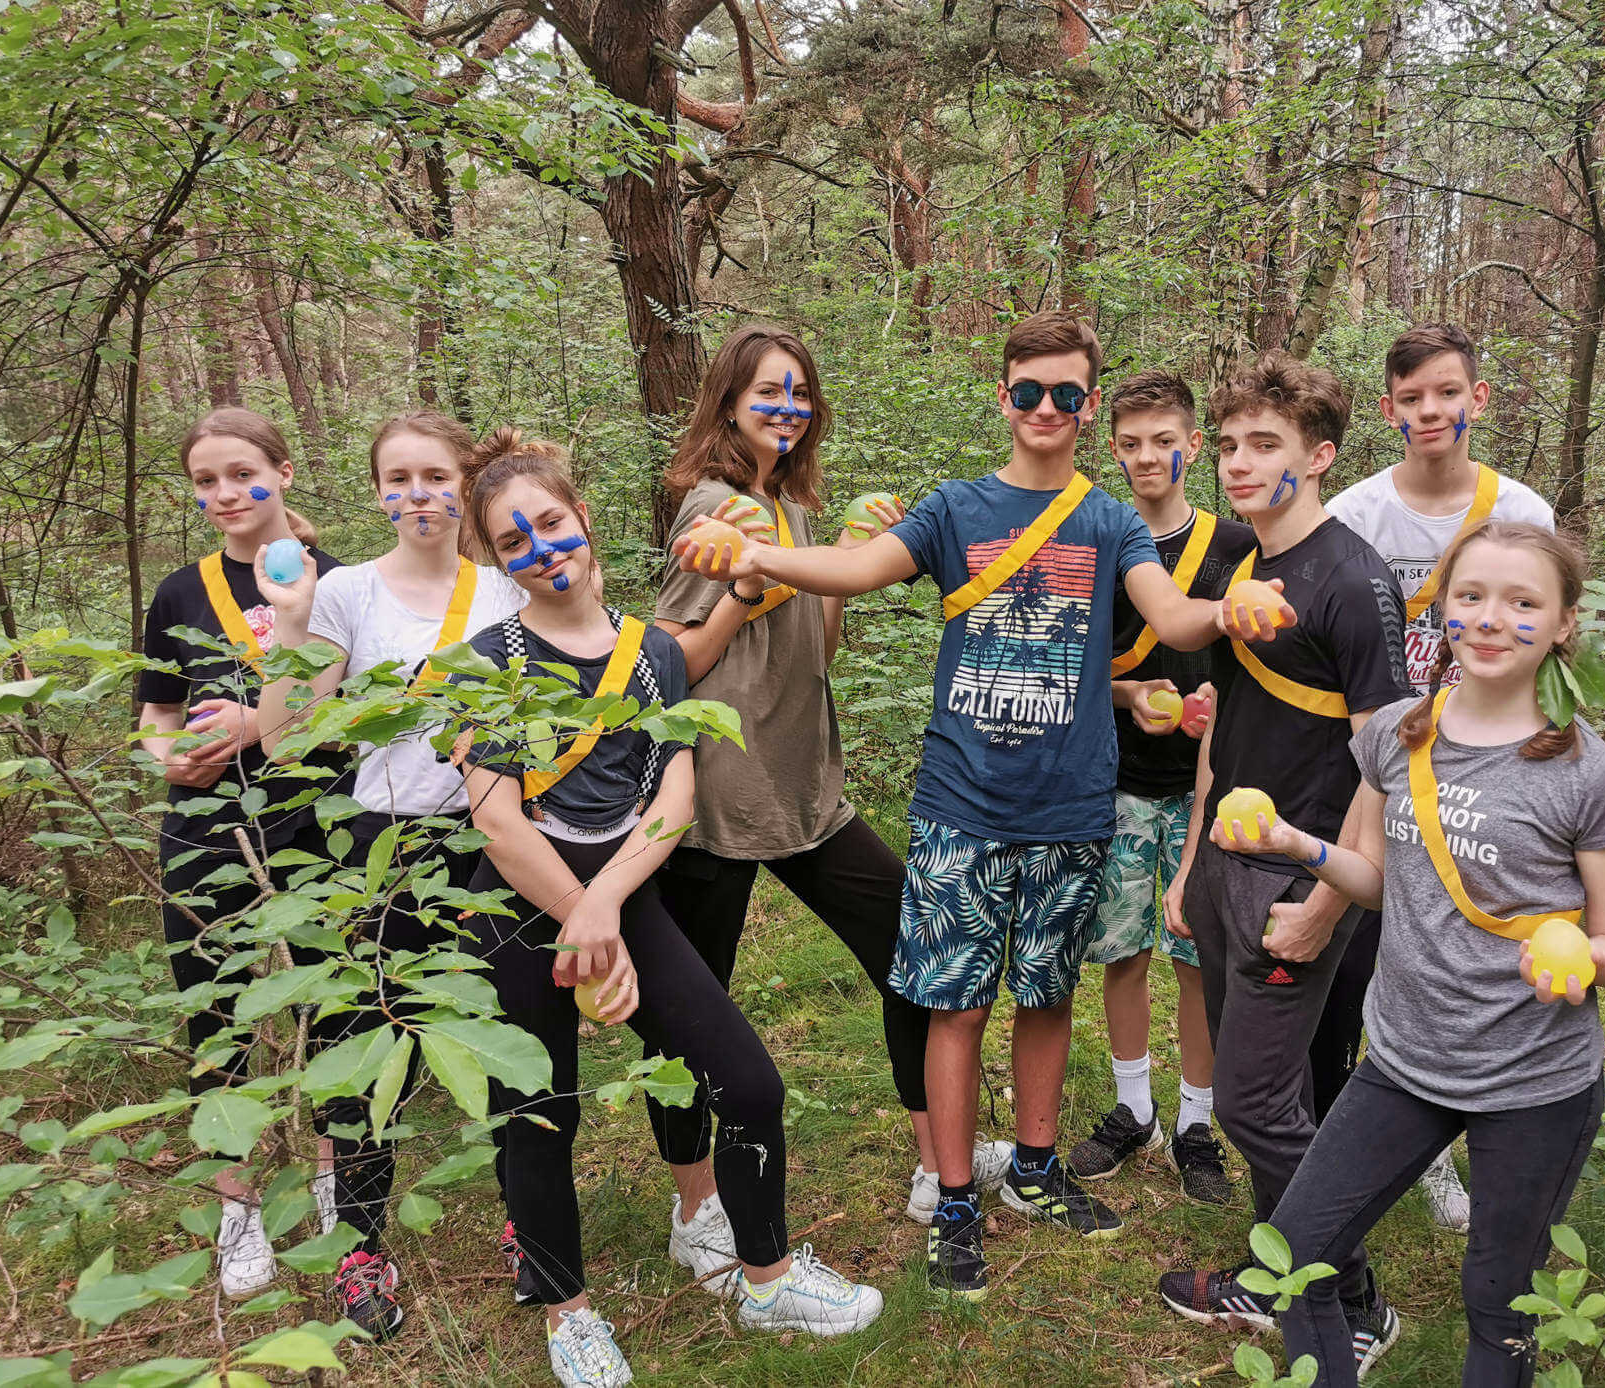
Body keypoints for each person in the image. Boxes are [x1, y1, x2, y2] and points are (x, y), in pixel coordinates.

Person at [673, 312, 1284, 1301]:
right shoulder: (956, 509)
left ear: (1088, 404)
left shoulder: (1110, 521)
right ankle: (954, 1198)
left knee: (1046, 995)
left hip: (1072, 806)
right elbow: (858, 569)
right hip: (963, 803)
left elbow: (1172, 615)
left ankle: (1035, 1167)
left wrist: (1230, 610)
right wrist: (758, 561)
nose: (1047, 408)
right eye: (1029, 391)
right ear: (1004, 398)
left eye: (1067, 394)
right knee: (953, 1006)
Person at [456, 430, 882, 1388]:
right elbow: (498, 821)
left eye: (552, 523)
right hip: (521, 910)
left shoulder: (653, 653)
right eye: (515, 540)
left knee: (747, 1084)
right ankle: (568, 1314)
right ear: (497, 558)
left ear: (583, 518)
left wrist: (605, 908)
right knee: (537, 1113)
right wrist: (579, 912)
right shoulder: (487, 664)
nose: (543, 548)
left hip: (620, 897)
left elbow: (673, 795)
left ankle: (766, 1279)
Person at [1179, 520, 1605, 1388]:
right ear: (1444, 611)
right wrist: (1293, 844)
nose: (1492, 618)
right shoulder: (1399, 732)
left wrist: (1579, 949)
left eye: (1522, 602)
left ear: (1563, 623)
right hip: (1402, 1061)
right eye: (1471, 596)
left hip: (1533, 1081)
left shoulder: (1591, 776)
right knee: (1296, 1256)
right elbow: (1372, 879)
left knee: (1499, 1307)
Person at [649, 326, 1009, 1276]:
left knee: (909, 953)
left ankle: (937, 1164)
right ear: (729, 402)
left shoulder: (785, 509)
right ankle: (696, 1210)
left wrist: (844, 555)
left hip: (804, 788)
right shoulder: (718, 508)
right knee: (691, 1015)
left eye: (800, 393)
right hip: (716, 800)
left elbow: (815, 648)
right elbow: (668, 660)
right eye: (769, 392)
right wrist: (742, 586)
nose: (788, 408)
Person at [1154, 352, 1411, 1377]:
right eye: (1227, 445)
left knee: (1251, 1105)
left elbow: (1385, 760)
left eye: (1264, 444)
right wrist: (1189, 864)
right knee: (1278, 1091)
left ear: (1321, 455)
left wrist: (1324, 903)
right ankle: (1280, 1273)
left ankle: (1352, 1300)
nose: (1238, 462)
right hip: (1228, 859)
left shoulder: (1354, 579)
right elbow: (1225, 725)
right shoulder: (1239, 570)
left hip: (1300, 873)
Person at [252, 411, 524, 1339]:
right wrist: (292, 620)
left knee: (505, 1031)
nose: (419, 494)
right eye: (399, 477)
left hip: (493, 841)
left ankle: (526, 1218)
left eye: (436, 476)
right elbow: (287, 740)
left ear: (465, 486)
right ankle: (361, 1244)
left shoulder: (504, 589)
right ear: (377, 492)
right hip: (380, 848)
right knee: (363, 1045)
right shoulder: (346, 592)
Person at [1323, 324, 1557, 1231]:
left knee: (1456, 961)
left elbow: (1545, 641)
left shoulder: (1521, 513)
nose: (1431, 412)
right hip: (1377, 762)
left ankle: (1447, 1151)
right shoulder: (1354, 514)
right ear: (1388, 409)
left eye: (1447, 393)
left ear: (1477, 400)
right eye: (1412, 397)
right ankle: (1351, 1139)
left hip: (1480, 773)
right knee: (1362, 956)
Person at [135, 407, 346, 1299]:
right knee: (210, 1007)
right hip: (205, 825)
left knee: (335, 997)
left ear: (283, 473)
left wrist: (253, 727)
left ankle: (339, 1175)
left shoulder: (339, 581)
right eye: (206, 481)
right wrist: (172, 757)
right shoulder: (179, 593)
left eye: (242, 474)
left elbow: (351, 699)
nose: (225, 494)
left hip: (318, 815)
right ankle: (238, 1202)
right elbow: (156, 712)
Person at [1068, 371, 1256, 1203]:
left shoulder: (1235, 546)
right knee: (1123, 949)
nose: (1149, 457)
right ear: (1113, 450)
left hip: (1210, 788)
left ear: (1193, 446)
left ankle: (1196, 1124)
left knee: (1196, 957)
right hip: (1117, 781)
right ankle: (1133, 1108)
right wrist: (1128, 695)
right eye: (1132, 444)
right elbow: (1074, 666)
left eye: (1165, 442)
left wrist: (1225, 704)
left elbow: (1261, 661)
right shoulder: (1097, 539)